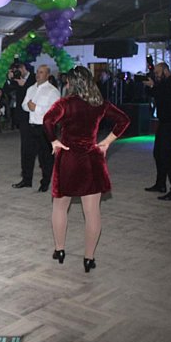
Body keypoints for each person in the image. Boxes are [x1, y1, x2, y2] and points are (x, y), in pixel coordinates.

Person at [43, 66, 130, 272]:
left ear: (72, 83)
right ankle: (89, 258)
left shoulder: (64, 104)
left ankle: (60, 249)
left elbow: (47, 120)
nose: (66, 84)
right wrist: (107, 141)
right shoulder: (100, 104)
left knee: (60, 207)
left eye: (67, 81)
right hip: (92, 159)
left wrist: (54, 140)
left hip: (69, 159)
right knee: (92, 212)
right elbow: (124, 120)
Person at [143, 62, 171, 200]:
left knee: (167, 156)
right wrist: (149, 85)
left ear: (165, 70)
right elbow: (153, 94)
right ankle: (160, 184)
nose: (156, 75)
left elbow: (166, 96)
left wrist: (154, 86)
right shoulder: (163, 82)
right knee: (158, 154)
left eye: (157, 73)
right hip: (163, 122)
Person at [17, 65, 61, 192]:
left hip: (44, 128)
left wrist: (36, 108)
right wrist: (29, 107)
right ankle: (26, 180)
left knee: (45, 157)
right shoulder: (31, 89)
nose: (38, 74)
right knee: (27, 155)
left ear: (47, 75)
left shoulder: (52, 91)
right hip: (31, 126)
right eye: (37, 72)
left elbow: (54, 111)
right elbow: (24, 104)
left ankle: (45, 182)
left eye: (41, 72)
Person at [6, 63, 36, 186]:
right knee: (25, 147)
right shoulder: (16, 79)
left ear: (23, 68)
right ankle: (26, 175)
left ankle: (46, 174)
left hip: (36, 117)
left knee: (41, 148)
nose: (17, 72)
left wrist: (24, 85)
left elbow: (35, 92)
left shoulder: (34, 78)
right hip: (23, 118)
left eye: (17, 70)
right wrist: (9, 79)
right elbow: (6, 90)